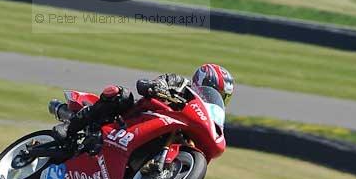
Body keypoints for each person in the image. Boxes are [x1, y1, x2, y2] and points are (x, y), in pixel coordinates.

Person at [50, 63, 235, 145]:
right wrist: (157, 87)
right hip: (133, 118)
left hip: (163, 132)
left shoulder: (203, 114)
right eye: (215, 90)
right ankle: (71, 127)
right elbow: (156, 82)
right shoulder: (182, 85)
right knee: (120, 94)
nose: (216, 96)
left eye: (221, 96)